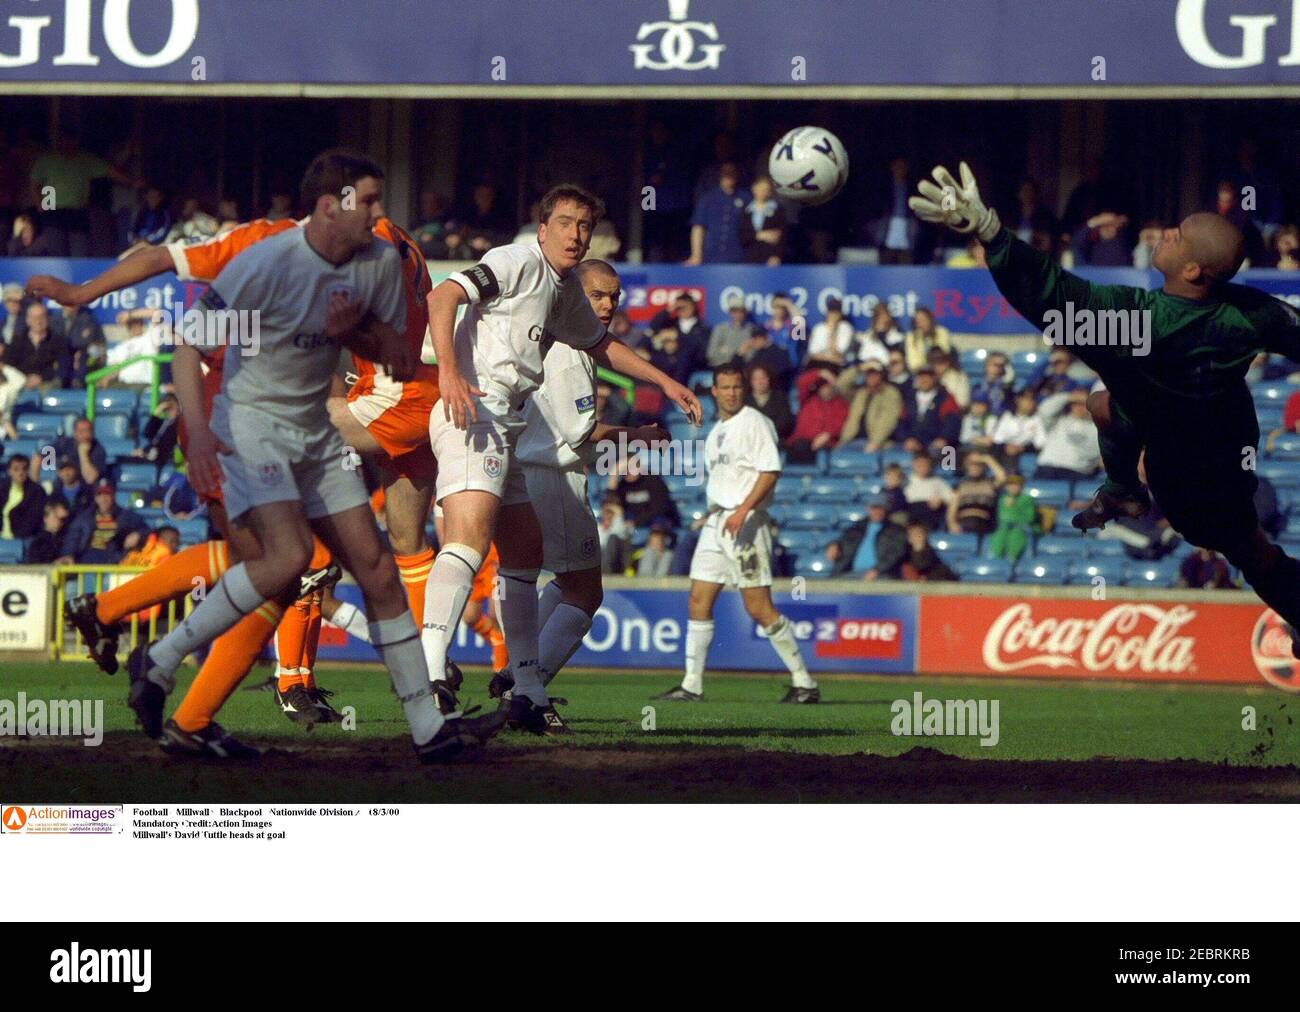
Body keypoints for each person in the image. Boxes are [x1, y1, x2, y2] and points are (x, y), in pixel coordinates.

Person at [121, 149, 489, 764]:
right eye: (367, 201)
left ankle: (428, 728)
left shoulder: (377, 262)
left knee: (375, 569)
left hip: (315, 435)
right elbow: (190, 348)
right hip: (255, 426)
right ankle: (165, 662)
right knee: (291, 560)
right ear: (329, 205)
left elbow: (393, 352)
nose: (379, 213)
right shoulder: (263, 262)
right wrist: (200, 435)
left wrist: (360, 336)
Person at [911, 159, 1300, 642]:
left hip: (1178, 476)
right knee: (1252, 551)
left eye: (1176, 236)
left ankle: (1125, 490)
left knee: (1104, 404)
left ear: (1193, 269)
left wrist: (990, 232)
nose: (1164, 235)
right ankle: (1125, 492)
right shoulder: (1252, 313)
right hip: (1227, 462)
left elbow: (1050, 293)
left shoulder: (1134, 323)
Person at [424, 183, 700, 732]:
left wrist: (666, 382)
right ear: (543, 227)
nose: (576, 235)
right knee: (471, 541)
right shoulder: (516, 260)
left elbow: (602, 344)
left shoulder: (563, 289)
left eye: (585, 227)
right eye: (567, 223)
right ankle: (428, 679)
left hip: (508, 424)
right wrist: (450, 373)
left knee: (523, 555)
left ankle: (526, 689)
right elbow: (442, 296)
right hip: (474, 412)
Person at [504, 260, 670, 725]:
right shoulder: (571, 350)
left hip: (533, 470)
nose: (608, 305)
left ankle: (515, 673)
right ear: (574, 295)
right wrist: (642, 436)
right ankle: (527, 692)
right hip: (554, 475)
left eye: (614, 296)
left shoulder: (550, 337)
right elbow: (584, 433)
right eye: (597, 295)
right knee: (587, 593)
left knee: (564, 582)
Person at [653, 364, 819, 704]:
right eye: (724, 387)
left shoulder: (755, 423)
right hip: (717, 524)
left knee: (759, 608)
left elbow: (771, 471)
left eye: (736, 387)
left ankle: (805, 682)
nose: (731, 393)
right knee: (698, 598)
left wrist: (743, 510)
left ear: (743, 390)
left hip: (746, 524)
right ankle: (692, 685)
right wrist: (712, 515)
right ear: (714, 391)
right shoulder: (717, 431)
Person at [63, 480, 148, 564]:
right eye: (99, 495)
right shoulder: (84, 519)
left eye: (107, 494)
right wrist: (69, 555)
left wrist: (138, 535)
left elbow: (146, 531)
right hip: (87, 562)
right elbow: (72, 539)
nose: (103, 499)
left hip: (115, 561)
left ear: (114, 495)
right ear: (95, 498)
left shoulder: (128, 517)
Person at [826, 498, 906, 578]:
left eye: (880, 508)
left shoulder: (895, 530)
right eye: (874, 508)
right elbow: (843, 539)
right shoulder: (858, 527)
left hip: (881, 574)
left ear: (885, 510)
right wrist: (834, 545)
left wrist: (877, 570)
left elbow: (895, 553)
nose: (877, 512)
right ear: (869, 509)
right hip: (852, 573)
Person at [686, 162, 747, 265]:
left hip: (738, 256)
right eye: (726, 175)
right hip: (712, 255)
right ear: (720, 176)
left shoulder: (746, 198)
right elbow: (698, 228)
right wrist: (696, 255)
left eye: (732, 174)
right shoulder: (708, 198)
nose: (729, 178)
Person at [786, 369, 848, 463]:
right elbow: (802, 382)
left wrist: (827, 434)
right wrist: (821, 373)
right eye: (822, 386)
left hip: (825, 445)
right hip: (801, 443)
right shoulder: (808, 400)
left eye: (827, 386)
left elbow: (840, 423)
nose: (825, 389)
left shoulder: (840, 404)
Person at [838, 360, 902, 449]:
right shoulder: (861, 393)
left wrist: (875, 442)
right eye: (868, 373)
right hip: (851, 439)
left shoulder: (890, 393)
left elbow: (887, 421)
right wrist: (859, 369)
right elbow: (842, 385)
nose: (871, 376)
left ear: (882, 375)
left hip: (875, 443)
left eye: (875, 373)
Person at [947, 452, 1004, 535]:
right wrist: (952, 523)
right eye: (972, 465)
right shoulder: (960, 486)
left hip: (984, 523)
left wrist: (986, 459)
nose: (975, 468)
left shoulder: (990, 484)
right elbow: (952, 509)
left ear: (983, 467)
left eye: (978, 465)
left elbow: (1002, 478)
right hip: (964, 522)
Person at [986, 473, 1036, 563]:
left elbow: (1030, 517)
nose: (1013, 487)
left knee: (1016, 537)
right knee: (998, 537)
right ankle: (996, 561)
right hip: (1003, 528)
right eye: (1010, 485)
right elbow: (1000, 517)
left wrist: (1015, 506)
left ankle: (1012, 560)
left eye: (1016, 485)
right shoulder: (1002, 499)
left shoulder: (1027, 499)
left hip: (1020, 528)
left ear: (1021, 486)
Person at [0, 453, 45, 540]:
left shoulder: (37, 492)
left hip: (23, 539)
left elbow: (33, 521)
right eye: (16, 469)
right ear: (9, 471)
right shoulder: (2, 489)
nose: (20, 473)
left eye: (24, 469)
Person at [744, 362, 794, 439]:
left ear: (768, 379)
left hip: (776, 439)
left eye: (763, 378)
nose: (760, 382)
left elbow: (785, 422)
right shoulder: (745, 401)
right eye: (756, 379)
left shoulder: (780, 398)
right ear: (751, 381)